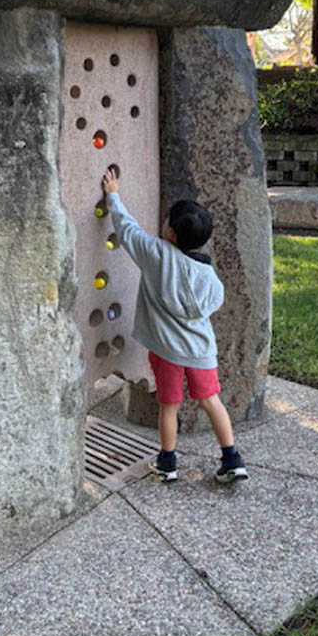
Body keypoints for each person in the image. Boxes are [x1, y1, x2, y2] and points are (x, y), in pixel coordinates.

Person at [101, 166, 248, 484]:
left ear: (170, 233)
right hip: (200, 351)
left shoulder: (156, 255)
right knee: (211, 401)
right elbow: (216, 300)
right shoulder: (208, 277)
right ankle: (232, 459)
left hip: (167, 351)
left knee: (168, 406)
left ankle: (167, 463)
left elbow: (127, 229)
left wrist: (113, 196)